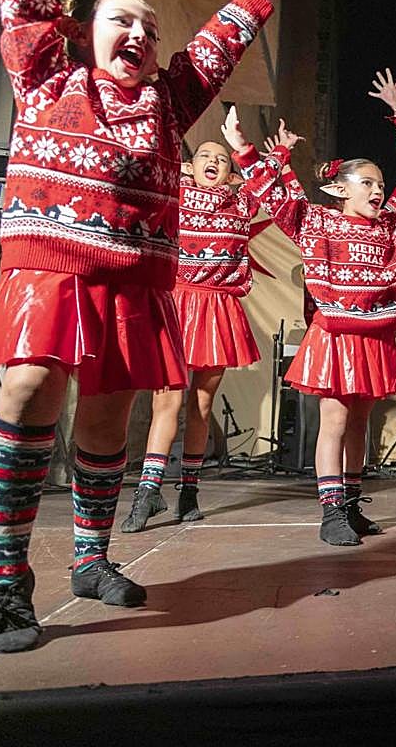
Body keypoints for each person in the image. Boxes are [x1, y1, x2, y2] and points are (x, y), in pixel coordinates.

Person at [0, 0, 277, 653]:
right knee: (27, 393)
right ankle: (2, 581)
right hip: (51, 270)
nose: (141, 35)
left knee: (110, 420)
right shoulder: (47, 75)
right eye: (123, 20)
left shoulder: (166, 104)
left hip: (132, 278)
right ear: (83, 32)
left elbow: (208, 58)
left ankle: (90, 558)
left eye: (151, 28)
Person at [221, 70, 396, 546]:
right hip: (336, 335)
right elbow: (271, 193)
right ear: (340, 189)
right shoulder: (314, 220)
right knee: (336, 421)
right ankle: (329, 512)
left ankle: (350, 502)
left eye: (381, 183)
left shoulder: (395, 227)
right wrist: (249, 150)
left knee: (361, 421)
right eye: (367, 182)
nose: (377, 190)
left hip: (376, 338)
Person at [120, 139, 279, 532]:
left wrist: (274, 154)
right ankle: (149, 490)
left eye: (222, 159)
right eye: (206, 156)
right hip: (176, 302)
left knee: (203, 405)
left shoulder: (241, 204)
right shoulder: (177, 192)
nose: (214, 161)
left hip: (217, 306)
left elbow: (265, 183)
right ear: (189, 167)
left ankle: (188, 489)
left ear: (231, 172)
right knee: (166, 403)